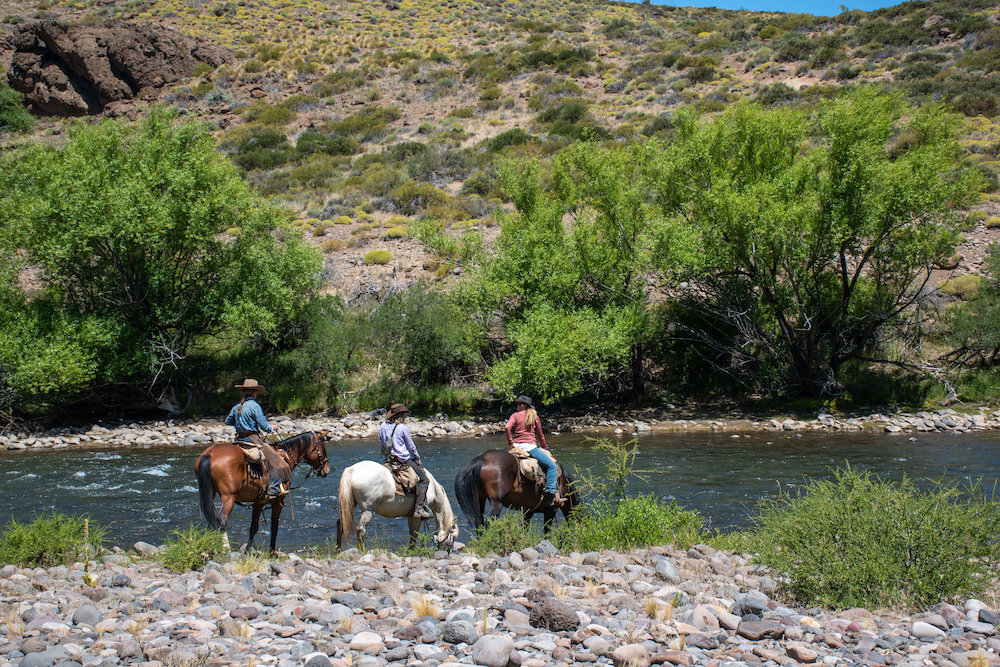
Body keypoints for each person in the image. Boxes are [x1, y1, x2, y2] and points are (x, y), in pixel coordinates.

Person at [225, 379, 291, 498]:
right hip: (252, 440)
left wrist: (239, 423)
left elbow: (228, 421)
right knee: (273, 457)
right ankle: (273, 487)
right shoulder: (255, 406)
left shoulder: (237, 406)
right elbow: (264, 426)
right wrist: (273, 428)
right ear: (254, 392)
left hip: (239, 440)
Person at [505, 395, 562, 507]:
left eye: (518, 404)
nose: (516, 406)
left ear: (522, 405)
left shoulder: (515, 415)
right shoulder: (534, 417)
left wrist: (511, 443)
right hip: (530, 448)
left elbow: (507, 427)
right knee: (552, 466)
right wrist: (545, 448)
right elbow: (540, 436)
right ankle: (550, 490)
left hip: (516, 447)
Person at [378, 403, 431, 518]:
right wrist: (417, 458)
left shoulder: (382, 426)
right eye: (405, 414)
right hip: (402, 461)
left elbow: (381, 445)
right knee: (424, 479)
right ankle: (419, 509)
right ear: (401, 415)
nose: (406, 416)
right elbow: (411, 446)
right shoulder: (402, 428)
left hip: (388, 461)